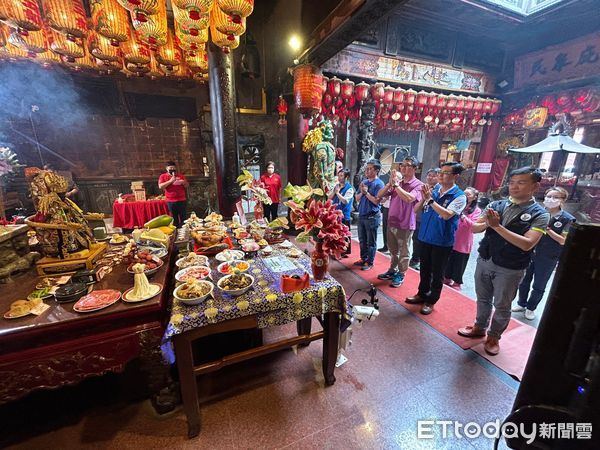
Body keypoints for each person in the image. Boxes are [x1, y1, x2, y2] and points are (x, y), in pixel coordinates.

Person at [458, 167, 550, 356]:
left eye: (521, 182)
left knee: (502, 304)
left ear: (535, 186)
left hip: (511, 267)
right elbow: (476, 229)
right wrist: (485, 223)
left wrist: (497, 227)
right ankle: (479, 327)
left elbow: (527, 244)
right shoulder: (497, 205)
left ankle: (494, 336)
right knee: (483, 298)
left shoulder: (540, 214)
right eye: (513, 182)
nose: (515, 186)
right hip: (486, 259)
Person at [406, 162, 466, 315]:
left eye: (446, 172)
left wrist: (431, 200)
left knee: (437, 273)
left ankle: (431, 300)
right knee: (424, 269)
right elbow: (416, 209)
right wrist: (424, 198)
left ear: (455, 176)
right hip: (425, 236)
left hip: (442, 240)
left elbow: (446, 215)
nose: (441, 175)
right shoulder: (435, 189)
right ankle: (421, 294)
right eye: (441, 171)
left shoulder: (459, 196)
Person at [513, 187, 575, 320]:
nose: (550, 200)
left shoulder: (567, 219)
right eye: (548, 196)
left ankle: (531, 308)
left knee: (539, 284)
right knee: (524, 280)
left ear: (562, 200)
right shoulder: (538, 213)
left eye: (555, 197)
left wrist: (548, 229)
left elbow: (563, 240)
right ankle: (521, 303)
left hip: (548, 256)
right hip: (529, 252)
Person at [376, 156, 423, 287]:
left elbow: (409, 198)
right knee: (393, 250)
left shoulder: (418, 185)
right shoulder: (399, 183)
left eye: (407, 165)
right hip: (392, 221)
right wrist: (389, 183)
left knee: (404, 251)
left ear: (415, 168)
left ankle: (401, 273)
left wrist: (396, 185)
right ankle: (392, 270)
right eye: (402, 165)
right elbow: (380, 195)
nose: (403, 167)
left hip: (405, 223)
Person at [444, 187, 481, 290]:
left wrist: (463, 217)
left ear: (474, 197)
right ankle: (447, 277)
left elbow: (474, 225)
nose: (465, 196)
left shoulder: (476, 211)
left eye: (468, 195)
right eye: (464, 194)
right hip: (452, 237)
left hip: (463, 241)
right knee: (449, 259)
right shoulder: (458, 204)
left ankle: (457, 282)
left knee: (460, 261)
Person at [354, 159, 385, 271]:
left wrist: (366, 193)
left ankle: (370, 262)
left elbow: (377, 201)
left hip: (372, 216)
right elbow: (356, 198)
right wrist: (362, 192)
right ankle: (363, 258)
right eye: (366, 168)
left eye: (370, 168)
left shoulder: (379, 183)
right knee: (362, 239)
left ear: (376, 170)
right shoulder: (364, 182)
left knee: (371, 241)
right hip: (362, 215)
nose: (367, 170)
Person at [410, 168, 440, 270]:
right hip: (419, 218)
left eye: (433, 176)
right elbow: (416, 207)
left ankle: (423, 262)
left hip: (432, 221)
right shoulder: (422, 187)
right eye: (429, 175)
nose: (430, 177)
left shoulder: (440, 190)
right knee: (416, 240)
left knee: (428, 244)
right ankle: (415, 258)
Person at [329, 168, 354, 258]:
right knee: (336, 234)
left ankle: (343, 252)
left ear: (346, 177)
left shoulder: (350, 188)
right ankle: (335, 250)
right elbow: (329, 197)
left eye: (341, 176)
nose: (339, 178)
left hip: (344, 215)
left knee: (344, 235)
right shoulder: (337, 186)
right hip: (335, 214)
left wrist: (338, 193)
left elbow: (345, 201)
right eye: (338, 175)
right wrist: (334, 192)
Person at [158, 161, 189, 228]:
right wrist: (170, 181)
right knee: (174, 218)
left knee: (183, 218)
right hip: (171, 201)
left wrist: (183, 182)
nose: (172, 169)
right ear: (167, 168)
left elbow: (187, 185)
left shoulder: (181, 176)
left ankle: (184, 233)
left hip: (182, 200)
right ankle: (175, 233)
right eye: (170, 168)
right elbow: (160, 186)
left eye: (174, 168)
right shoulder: (163, 176)